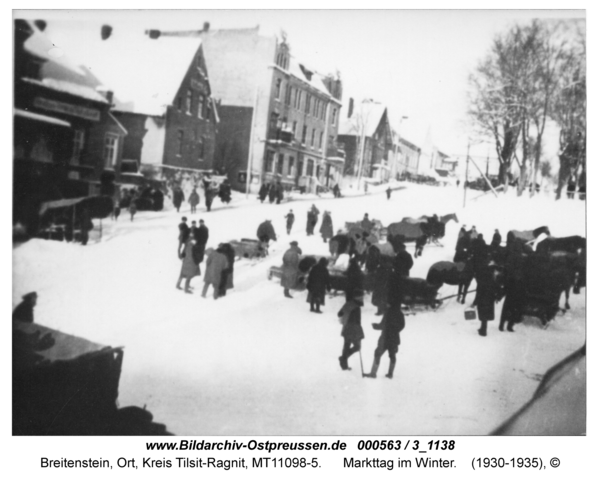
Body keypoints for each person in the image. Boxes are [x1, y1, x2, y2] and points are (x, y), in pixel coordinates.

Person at [364, 298, 405, 379]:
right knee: (392, 355)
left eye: (388, 303)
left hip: (385, 338)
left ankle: (373, 373)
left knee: (377, 353)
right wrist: (396, 331)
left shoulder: (388, 313)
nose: (386, 305)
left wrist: (375, 326)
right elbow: (402, 325)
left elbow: (383, 325)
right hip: (394, 338)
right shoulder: (400, 314)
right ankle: (390, 374)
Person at [338, 289, 365, 371]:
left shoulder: (350, 304)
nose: (362, 298)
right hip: (352, 329)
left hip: (348, 328)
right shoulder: (355, 306)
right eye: (361, 297)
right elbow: (357, 322)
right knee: (357, 347)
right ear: (357, 297)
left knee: (347, 346)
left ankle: (344, 362)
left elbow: (339, 313)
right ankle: (343, 359)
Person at [474, 260, 502, 337]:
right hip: (490, 298)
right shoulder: (493, 278)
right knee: (486, 314)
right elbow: (498, 288)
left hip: (483, 298)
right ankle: (482, 328)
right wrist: (497, 297)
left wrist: (475, 302)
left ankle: (483, 331)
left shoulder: (483, 278)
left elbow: (479, 290)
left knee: (483, 314)